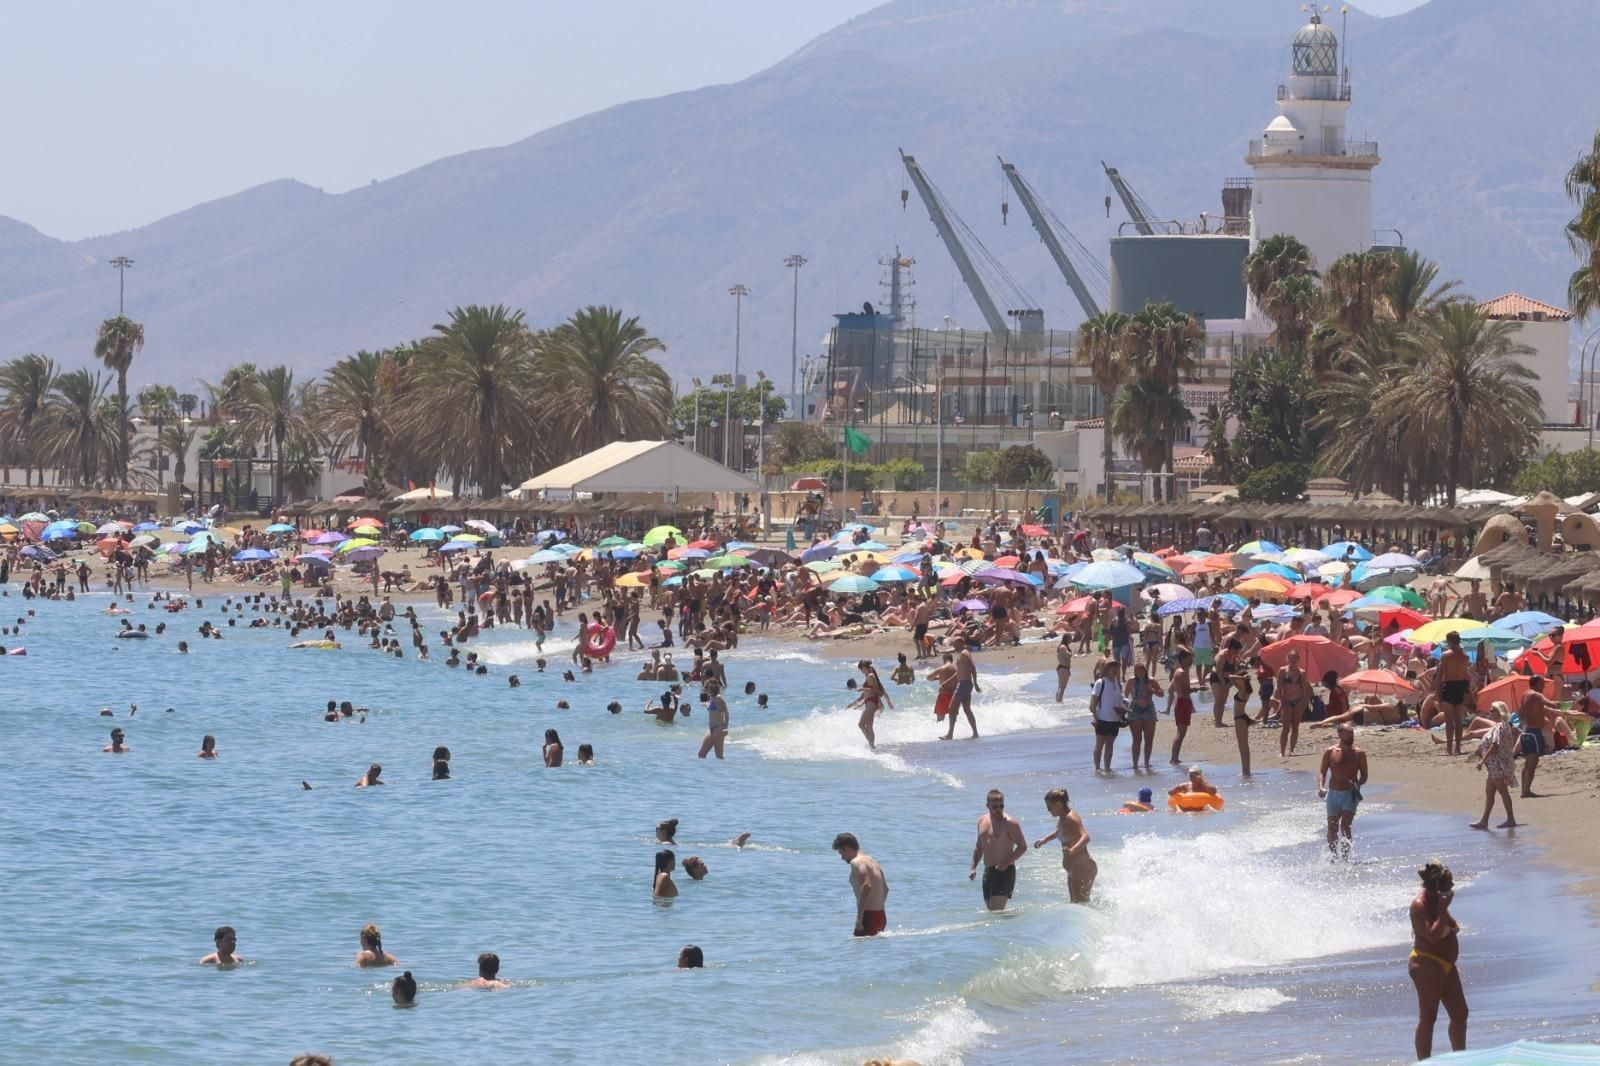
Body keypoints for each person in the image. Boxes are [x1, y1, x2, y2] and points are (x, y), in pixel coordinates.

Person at [1408, 861, 1467, 1059]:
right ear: (1437, 887)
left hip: (1446, 964)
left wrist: (1445, 912)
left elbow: (1452, 926)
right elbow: (1432, 936)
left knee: (1460, 1013)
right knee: (1428, 1017)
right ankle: (1424, 1062)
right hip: (1426, 963)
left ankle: (1461, 1058)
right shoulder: (1419, 905)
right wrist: (1443, 909)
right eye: (1449, 884)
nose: (1452, 887)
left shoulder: (1437, 901)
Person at [968, 789, 1028, 911]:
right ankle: (1017, 920)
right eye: (995, 807)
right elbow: (979, 847)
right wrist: (973, 868)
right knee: (993, 912)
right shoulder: (982, 821)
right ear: (988, 805)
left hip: (1005, 871)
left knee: (996, 912)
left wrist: (1005, 863)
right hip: (988, 871)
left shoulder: (1010, 823)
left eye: (1001, 806)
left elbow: (1022, 847)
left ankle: (1021, 921)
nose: (998, 809)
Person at [1316, 723, 1369, 860]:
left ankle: (1345, 860)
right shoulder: (1330, 752)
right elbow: (1322, 771)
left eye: (1352, 733)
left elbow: (1364, 775)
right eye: (1348, 734)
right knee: (1332, 827)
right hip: (1333, 795)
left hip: (1350, 795)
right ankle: (1334, 856)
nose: (1351, 736)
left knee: (1345, 826)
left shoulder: (1359, 754)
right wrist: (1321, 786)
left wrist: (1358, 784)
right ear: (1339, 735)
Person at [1034, 787, 1095, 903]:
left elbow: (1086, 837)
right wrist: (1044, 840)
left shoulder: (1071, 817)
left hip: (1083, 867)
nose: (1048, 810)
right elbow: (1059, 832)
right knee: (1075, 904)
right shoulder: (1062, 818)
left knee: (1080, 905)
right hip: (1073, 868)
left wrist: (1072, 850)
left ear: (1058, 803)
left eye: (1049, 807)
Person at [1469, 701, 1520, 830]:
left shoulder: (1501, 727)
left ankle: (1511, 819)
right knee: (1490, 793)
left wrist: (1482, 760)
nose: (1490, 713)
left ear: (1500, 712)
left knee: (1503, 792)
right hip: (1493, 766)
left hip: (1497, 765)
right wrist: (1479, 752)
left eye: (1492, 711)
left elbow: (1495, 745)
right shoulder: (1499, 726)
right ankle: (1484, 820)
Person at [832, 832, 888, 937]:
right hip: (880, 916)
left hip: (868, 916)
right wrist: (877, 909)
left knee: (856, 946)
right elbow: (885, 889)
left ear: (846, 849)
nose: (842, 858)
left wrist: (860, 917)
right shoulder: (873, 861)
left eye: (841, 853)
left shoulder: (856, 862)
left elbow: (867, 886)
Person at [1518, 675, 1561, 798]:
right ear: (1536, 684)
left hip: (1526, 731)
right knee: (1532, 764)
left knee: (1527, 763)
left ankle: (1524, 790)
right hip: (1534, 733)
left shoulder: (1526, 694)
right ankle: (1527, 791)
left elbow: (1521, 711)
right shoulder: (1536, 695)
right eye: (1542, 683)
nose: (1544, 686)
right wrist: (1560, 703)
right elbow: (1552, 704)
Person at [1435, 632, 1472, 756]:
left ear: (1449, 641)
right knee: (1458, 720)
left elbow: (1440, 674)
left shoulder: (1446, 655)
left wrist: (1436, 691)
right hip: (1460, 686)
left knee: (1449, 720)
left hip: (1449, 686)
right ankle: (1458, 748)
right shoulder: (1465, 656)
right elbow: (1465, 674)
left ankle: (1449, 749)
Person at [1122, 662, 1162, 770]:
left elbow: (1161, 694)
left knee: (1149, 739)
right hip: (1135, 710)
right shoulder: (1131, 681)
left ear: (1145, 671)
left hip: (1149, 710)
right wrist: (1124, 710)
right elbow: (1125, 696)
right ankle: (1135, 765)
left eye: (1141, 670)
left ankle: (1146, 763)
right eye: (1137, 671)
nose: (1139, 673)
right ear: (1134, 671)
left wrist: (1151, 690)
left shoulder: (1151, 680)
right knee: (1136, 740)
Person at [847, 660, 894, 751]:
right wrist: (858, 704)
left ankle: (872, 746)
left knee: (861, 724)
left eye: (862, 668)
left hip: (872, 703)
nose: (861, 670)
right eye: (860, 669)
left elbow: (876, 690)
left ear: (866, 667)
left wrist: (862, 688)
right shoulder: (868, 676)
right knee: (868, 727)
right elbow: (867, 693)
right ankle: (872, 746)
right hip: (870, 703)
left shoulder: (871, 675)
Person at [1275, 648, 1310, 757]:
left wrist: (1305, 701)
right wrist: (1282, 701)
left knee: (1295, 727)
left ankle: (1292, 750)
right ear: (1288, 659)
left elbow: (1305, 688)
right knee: (1285, 728)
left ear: (1298, 659)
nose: (1293, 660)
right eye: (1291, 658)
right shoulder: (1282, 671)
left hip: (1298, 701)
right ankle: (1282, 751)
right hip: (1287, 702)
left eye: (1295, 658)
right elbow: (1279, 687)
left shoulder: (1302, 673)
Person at [1090, 661, 1124, 772]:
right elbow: (1093, 701)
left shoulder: (1118, 684)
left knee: (1110, 744)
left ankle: (1107, 768)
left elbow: (1119, 700)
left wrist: (1122, 710)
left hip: (1115, 719)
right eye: (1112, 668)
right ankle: (1097, 768)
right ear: (1107, 669)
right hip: (1102, 718)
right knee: (1099, 744)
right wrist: (1095, 717)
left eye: (1116, 668)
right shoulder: (1100, 682)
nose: (1115, 670)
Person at [942, 645, 980, 740]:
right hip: (964, 684)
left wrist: (975, 683)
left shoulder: (964, 653)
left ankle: (950, 734)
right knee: (967, 709)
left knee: (952, 708)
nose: (954, 645)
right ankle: (975, 733)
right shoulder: (960, 655)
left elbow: (972, 667)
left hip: (964, 685)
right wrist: (947, 681)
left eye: (955, 642)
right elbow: (958, 672)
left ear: (960, 642)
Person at [1169, 649, 1195, 766]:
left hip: (1181, 702)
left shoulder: (1178, 671)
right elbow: (1185, 691)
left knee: (1180, 732)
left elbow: (1170, 689)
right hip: (1182, 702)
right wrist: (1197, 689)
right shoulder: (1182, 673)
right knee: (1181, 733)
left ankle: (1175, 758)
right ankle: (1174, 758)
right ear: (1183, 659)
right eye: (1189, 658)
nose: (1191, 660)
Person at [698, 679, 729, 759]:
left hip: (718, 728)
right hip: (711, 729)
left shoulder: (719, 698)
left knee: (719, 756)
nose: (705, 688)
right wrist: (705, 704)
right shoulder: (711, 698)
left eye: (707, 687)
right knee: (701, 754)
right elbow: (712, 708)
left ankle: (725, 767)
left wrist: (726, 727)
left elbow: (726, 713)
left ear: (711, 687)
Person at [1053, 632, 1073, 703]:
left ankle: (1058, 701)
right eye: (1070, 638)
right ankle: (1059, 701)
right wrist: (1071, 653)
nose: (1071, 640)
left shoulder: (1064, 646)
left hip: (1064, 668)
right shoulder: (1063, 647)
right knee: (1062, 687)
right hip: (1063, 668)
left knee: (1061, 686)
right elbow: (1068, 655)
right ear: (1067, 639)